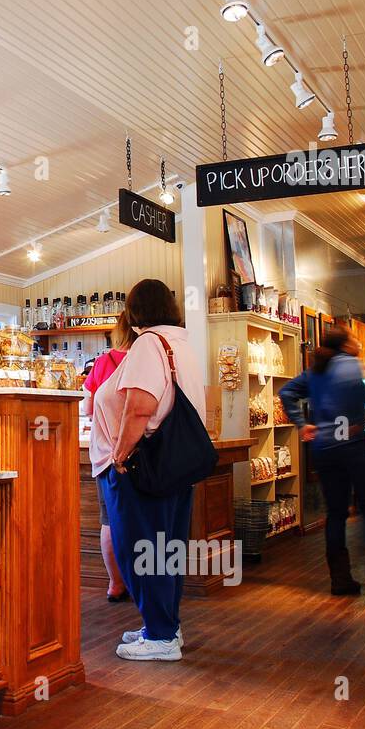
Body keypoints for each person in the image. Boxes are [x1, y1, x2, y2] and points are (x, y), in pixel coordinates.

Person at [90, 279, 206, 662]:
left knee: (140, 548)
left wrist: (121, 455)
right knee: (167, 549)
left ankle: (159, 636)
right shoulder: (182, 344)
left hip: (143, 463)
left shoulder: (147, 344)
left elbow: (139, 406)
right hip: (174, 463)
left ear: (135, 310)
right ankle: (165, 626)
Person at [278, 325, 365, 596]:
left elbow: (286, 392)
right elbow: (355, 399)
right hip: (351, 444)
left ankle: (340, 578)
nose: (358, 342)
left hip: (324, 447)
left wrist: (302, 423)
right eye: (354, 338)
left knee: (335, 512)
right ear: (346, 344)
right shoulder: (349, 364)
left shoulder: (316, 371)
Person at [81, 335, 132, 604]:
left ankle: (115, 583)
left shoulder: (103, 362)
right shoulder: (151, 359)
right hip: (142, 451)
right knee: (145, 519)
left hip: (106, 454)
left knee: (109, 520)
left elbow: (87, 408)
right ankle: (144, 582)